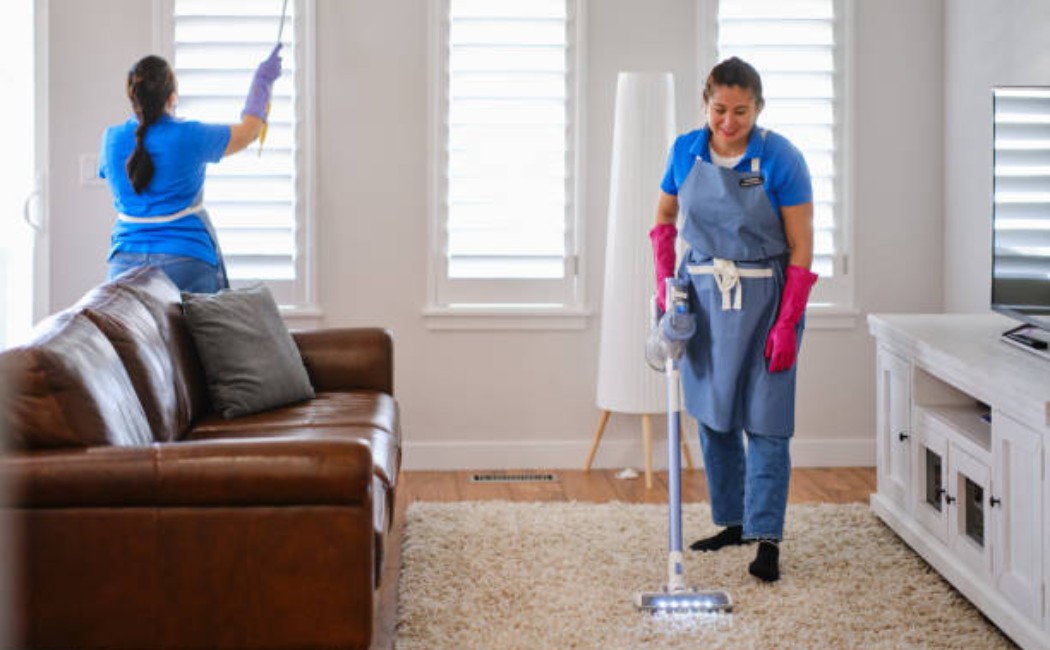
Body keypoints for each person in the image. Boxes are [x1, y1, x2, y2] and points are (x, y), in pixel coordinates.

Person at [650, 57, 817, 582]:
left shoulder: (781, 158)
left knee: (767, 422)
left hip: (766, 301)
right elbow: (664, 219)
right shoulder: (685, 151)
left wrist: (787, 322)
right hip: (702, 296)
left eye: (740, 111)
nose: (728, 122)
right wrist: (665, 286)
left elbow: (801, 245)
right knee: (714, 415)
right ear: (706, 104)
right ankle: (733, 521)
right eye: (719, 109)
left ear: (758, 108)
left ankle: (767, 538)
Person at [99, 46, 283, 293]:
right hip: (186, 260)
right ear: (172, 97)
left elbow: (116, 175)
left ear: (133, 97)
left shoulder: (111, 139)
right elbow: (249, 132)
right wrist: (263, 81)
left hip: (124, 263)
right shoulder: (189, 135)